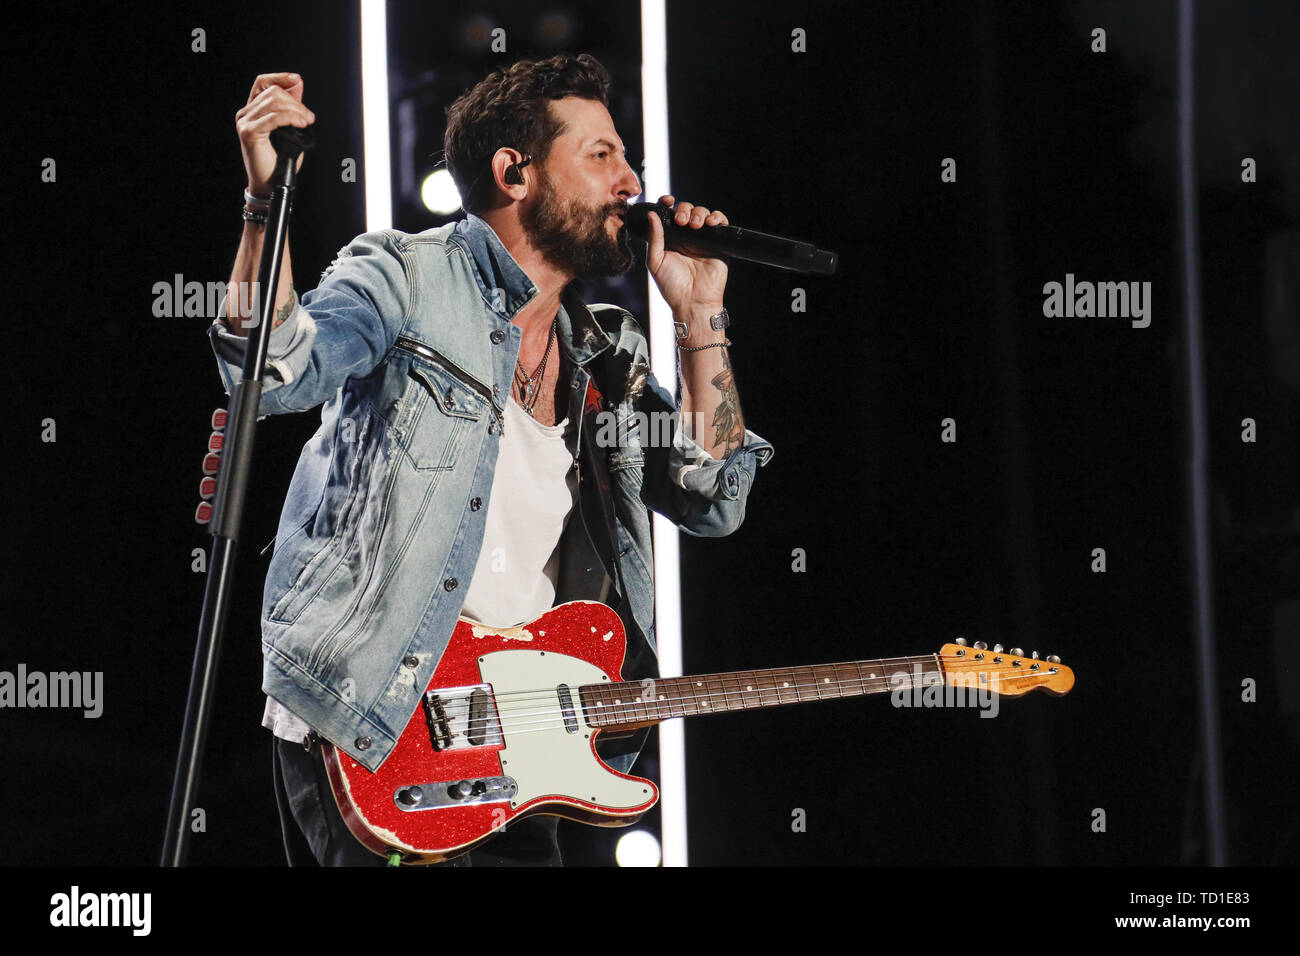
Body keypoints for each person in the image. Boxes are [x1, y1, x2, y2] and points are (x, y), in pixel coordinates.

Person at [208, 53, 773, 866]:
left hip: (517, 739)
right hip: (379, 723)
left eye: (627, 157)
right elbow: (271, 370)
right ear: (516, 172)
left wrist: (701, 313)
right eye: (602, 154)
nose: (632, 181)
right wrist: (267, 199)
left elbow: (715, 498)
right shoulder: (406, 274)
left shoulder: (605, 353)